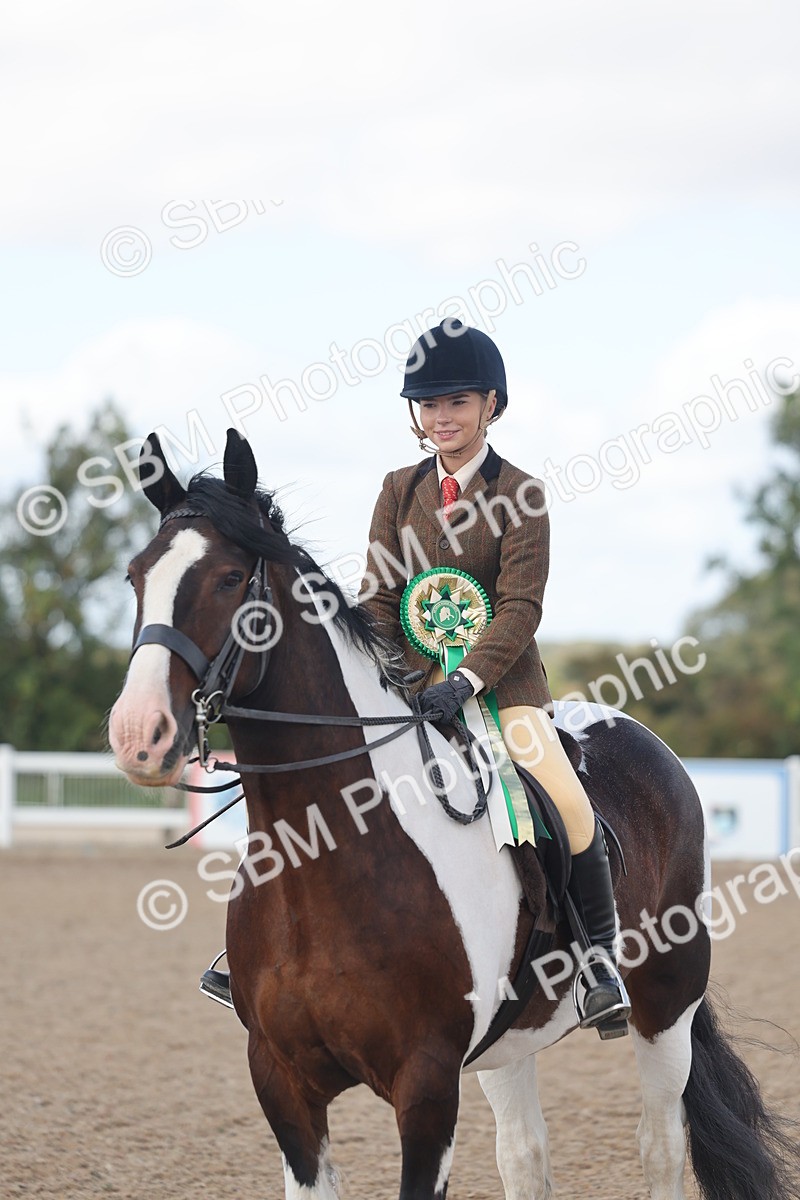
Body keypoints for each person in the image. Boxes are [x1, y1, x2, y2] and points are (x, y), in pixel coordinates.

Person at [358, 318, 631, 1034]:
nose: (440, 418)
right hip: (411, 688)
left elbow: (520, 607)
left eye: (456, 402)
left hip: (501, 689)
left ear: (490, 405)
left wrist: (468, 680)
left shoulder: (524, 494)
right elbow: (380, 597)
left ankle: (600, 961)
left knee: (567, 803)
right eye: (428, 405)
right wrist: (389, 675)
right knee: (325, 783)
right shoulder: (396, 489)